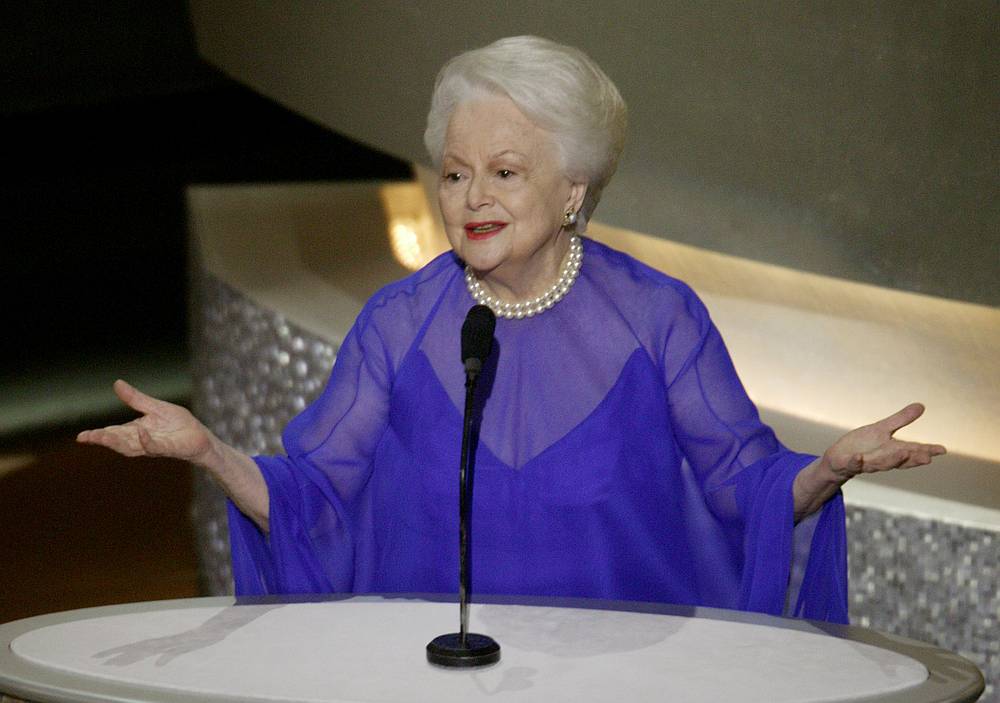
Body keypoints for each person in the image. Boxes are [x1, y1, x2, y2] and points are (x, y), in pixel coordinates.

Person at [78, 36, 945, 624]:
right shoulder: (399, 322)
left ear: (573, 188)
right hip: (433, 678)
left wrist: (826, 468)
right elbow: (313, 497)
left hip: (621, 682)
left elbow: (741, 488)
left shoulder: (658, 316)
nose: (471, 198)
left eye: (503, 170)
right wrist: (207, 454)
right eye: (454, 173)